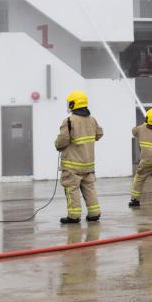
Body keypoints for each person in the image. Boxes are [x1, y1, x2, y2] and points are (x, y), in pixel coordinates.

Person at [54, 91, 104, 224]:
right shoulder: (92, 120)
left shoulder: (69, 121)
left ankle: (74, 216)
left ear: (72, 104)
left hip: (72, 165)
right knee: (89, 188)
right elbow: (99, 134)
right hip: (88, 164)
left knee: (72, 189)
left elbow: (62, 140)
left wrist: (57, 145)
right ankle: (94, 213)